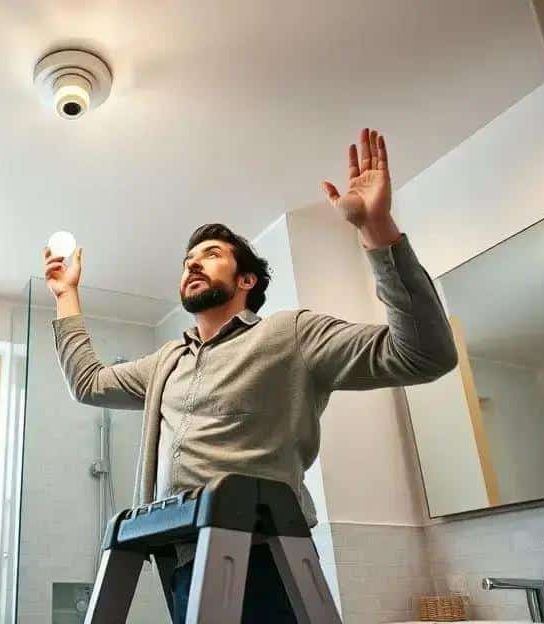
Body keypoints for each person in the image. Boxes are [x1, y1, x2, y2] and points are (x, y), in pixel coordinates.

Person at [42, 128, 457, 623]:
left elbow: (425, 354)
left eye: (211, 254)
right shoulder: (166, 362)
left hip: (267, 559)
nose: (193, 262)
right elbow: (89, 383)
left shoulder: (291, 334)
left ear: (246, 280)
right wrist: (66, 295)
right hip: (180, 561)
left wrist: (378, 229)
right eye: (188, 260)